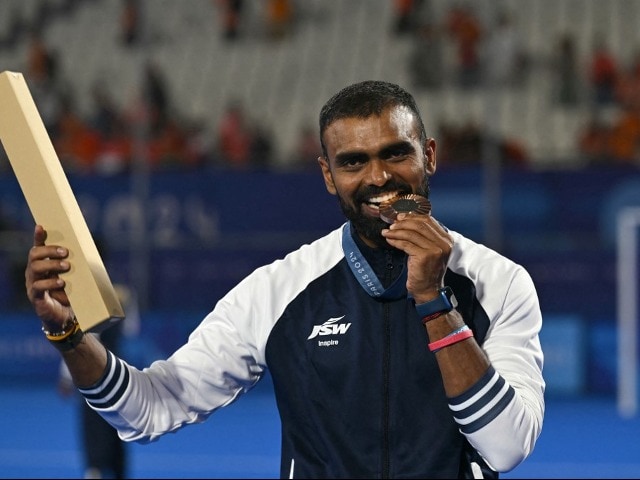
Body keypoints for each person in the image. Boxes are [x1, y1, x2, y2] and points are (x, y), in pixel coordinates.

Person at [25, 80, 545, 478]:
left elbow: (507, 446)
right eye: (353, 162)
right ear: (327, 176)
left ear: (428, 155)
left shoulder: (499, 284)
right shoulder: (278, 291)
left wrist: (434, 302)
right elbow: (150, 409)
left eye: (395, 153)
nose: (378, 177)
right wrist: (70, 337)